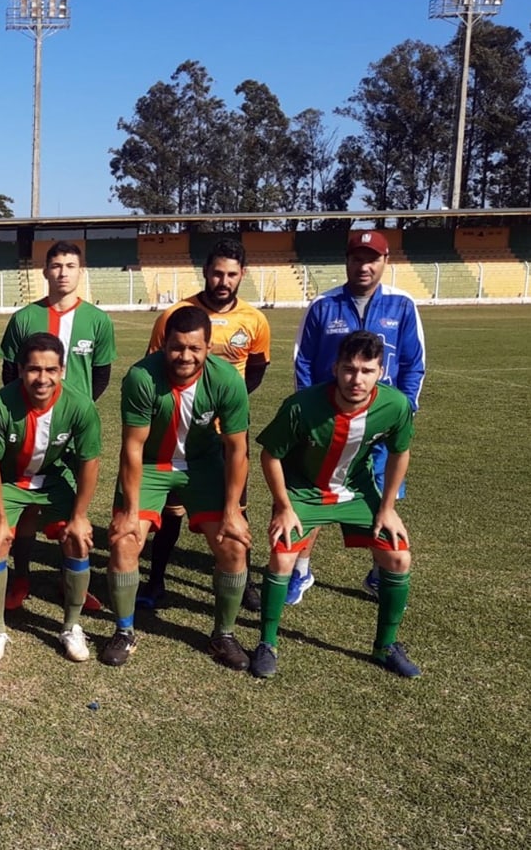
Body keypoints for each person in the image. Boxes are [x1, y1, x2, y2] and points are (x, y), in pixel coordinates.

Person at [252, 331, 420, 679]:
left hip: (356, 491)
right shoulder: (302, 406)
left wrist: (387, 507)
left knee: (398, 555)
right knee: (283, 555)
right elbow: (270, 455)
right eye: (349, 369)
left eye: (366, 370)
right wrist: (283, 506)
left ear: (380, 371)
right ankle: (267, 643)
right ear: (335, 367)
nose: (356, 379)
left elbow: (400, 453)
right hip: (303, 491)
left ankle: (385, 646)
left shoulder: (395, 405)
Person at [101, 305, 253, 671]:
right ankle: (124, 631)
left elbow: (237, 449)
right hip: (152, 466)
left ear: (209, 347)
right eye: (177, 347)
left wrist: (233, 512)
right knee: (124, 541)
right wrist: (132, 513)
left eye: (194, 348)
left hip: (203, 466)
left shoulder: (228, 381)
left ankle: (224, 633)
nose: (185, 356)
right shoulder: (141, 377)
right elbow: (133, 448)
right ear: (164, 344)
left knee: (232, 546)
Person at [290, 230, 425, 604]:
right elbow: (302, 361)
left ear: (385, 262)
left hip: (379, 428)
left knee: (380, 497)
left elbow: (414, 364)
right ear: (346, 260)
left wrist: (402, 412)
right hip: (328, 428)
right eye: (357, 258)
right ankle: (299, 573)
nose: (364, 266)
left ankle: (380, 572)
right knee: (313, 494)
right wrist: (309, 417)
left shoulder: (402, 305)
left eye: (373, 259)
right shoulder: (323, 305)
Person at [141, 238, 271, 611]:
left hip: (228, 433)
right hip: (179, 431)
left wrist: (224, 404)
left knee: (237, 506)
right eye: (217, 272)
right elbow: (154, 365)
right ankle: (156, 580)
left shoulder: (254, 320)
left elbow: (258, 368)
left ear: (242, 275)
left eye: (231, 274)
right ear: (205, 271)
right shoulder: (176, 316)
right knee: (170, 511)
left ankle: (240, 580)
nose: (223, 281)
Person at [0, 241, 116, 611]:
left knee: (74, 505)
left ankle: (71, 583)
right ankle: (20, 578)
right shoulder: (23, 319)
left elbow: (101, 375)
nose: (63, 272)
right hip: (29, 427)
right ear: (45, 271)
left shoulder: (98, 320)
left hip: (71, 431)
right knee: (27, 507)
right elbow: (8, 373)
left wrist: (73, 413)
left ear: (80, 271)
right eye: (56, 265)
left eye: (70, 265)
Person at [0, 332, 102, 663]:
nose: (42, 378)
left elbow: (90, 462)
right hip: (10, 482)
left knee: (78, 537)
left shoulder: (79, 404)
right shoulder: (1, 404)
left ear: (62, 370)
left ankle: (71, 626)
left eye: (50, 370)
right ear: (20, 370)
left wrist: (80, 515)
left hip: (52, 482)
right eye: (34, 369)